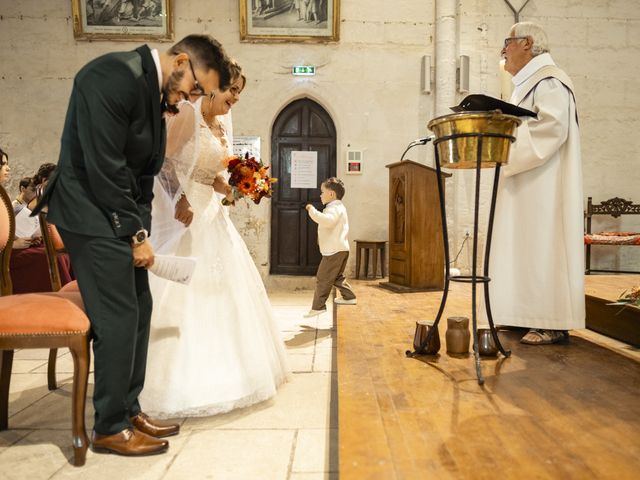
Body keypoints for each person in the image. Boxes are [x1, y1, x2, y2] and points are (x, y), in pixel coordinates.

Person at [33, 34, 233, 456]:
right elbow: (106, 168)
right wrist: (136, 235)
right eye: (194, 88)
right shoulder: (111, 75)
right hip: (87, 212)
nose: (191, 97)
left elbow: (144, 174)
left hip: (115, 213)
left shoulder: (155, 91)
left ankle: (128, 409)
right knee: (120, 313)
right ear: (181, 61)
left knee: (140, 306)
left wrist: (140, 231)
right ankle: (108, 426)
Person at [140, 61, 289, 418]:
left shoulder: (220, 123)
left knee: (227, 293)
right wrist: (179, 198)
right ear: (211, 85)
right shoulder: (186, 114)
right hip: (185, 215)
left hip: (212, 212)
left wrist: (237, 186)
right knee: (185, 291)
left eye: (239, 92)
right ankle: (169, 382)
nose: (235, 98)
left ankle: (234, 373)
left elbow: (212, 175)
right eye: (231, 90)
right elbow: (161, 162)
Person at [486, 21, 584, 345]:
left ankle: (551, 320)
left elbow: (552, 129)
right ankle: (520, 315)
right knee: (520, 246)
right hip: (525, 180)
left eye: (507, 43)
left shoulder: (552, 82)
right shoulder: (526, 85)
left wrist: (506, 142)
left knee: (544, 246)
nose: (503, 50)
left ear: (527, 43)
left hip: (545, 184)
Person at [304, 177, 357, 317]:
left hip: (334, 251)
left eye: (322, 192)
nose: (320, 195)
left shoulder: (333, 208)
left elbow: (327, 221)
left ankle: (318, 307)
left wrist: (312, 210)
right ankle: (349, 297)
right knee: (336, 276)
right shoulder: (339, 207)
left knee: (323, 278)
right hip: (341, 249)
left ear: (331, 194)